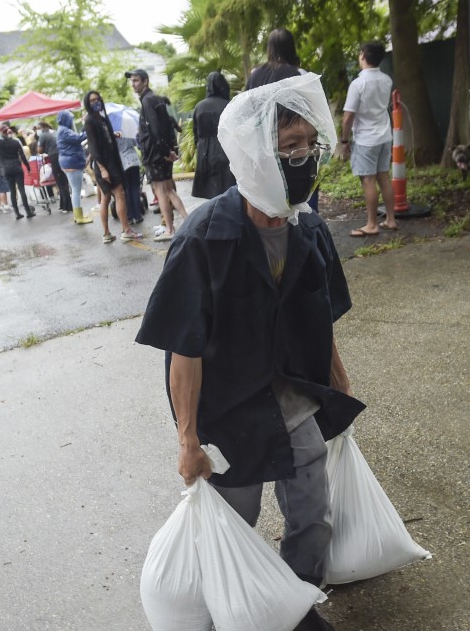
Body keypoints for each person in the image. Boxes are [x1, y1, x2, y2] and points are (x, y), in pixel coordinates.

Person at [135, 75, 358, 631]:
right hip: (230, 407)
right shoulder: (203, 238)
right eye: (289, 148)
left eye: (310, 144)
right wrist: (187, 441)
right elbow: (183, 350)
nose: (303, 158)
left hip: (293, 393)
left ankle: (296, 601)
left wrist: (337, 379)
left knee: (312, 511)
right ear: (257, 155)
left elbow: (320, 313)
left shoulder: (309, 229)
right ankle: (233, 606)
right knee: (235, 517)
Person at [246, 28, 322, 212]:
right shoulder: (300, 75)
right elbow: (316, 112)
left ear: (270, 49)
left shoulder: (255, 75)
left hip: (263, 151)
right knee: (304, 196)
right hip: (296, 151)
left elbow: (247, 112)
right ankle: (308, 225)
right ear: (291, 48)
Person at [335, 42, 397, 236]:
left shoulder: (358, 84)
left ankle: (371, 224)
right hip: (385, 135)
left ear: (363, 55)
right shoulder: (386, 80)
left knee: (368, 180)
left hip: (366, 139)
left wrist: (344, 140)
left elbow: (348, 116)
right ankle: (391, 219)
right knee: (384, 177)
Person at [127, 68, 188, 241]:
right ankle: (187, 221)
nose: (133, 84)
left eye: (136, 80)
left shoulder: (148, 101)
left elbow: (155, 129)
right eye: (132, 81)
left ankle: (170, 228)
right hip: (161, 153)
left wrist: (165, 152)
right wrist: (169, 150)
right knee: (169, 191)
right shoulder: (154, 99)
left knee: (162, 192)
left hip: (155, 155)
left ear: (145, 81)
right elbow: (167, 125)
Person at [83, 89, 143, 243]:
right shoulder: (90, 120)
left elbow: (103, 138)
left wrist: (112, 135)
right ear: (87, 104)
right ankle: (126, 230)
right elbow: (94, 147)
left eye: (97, 99)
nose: (96, 102)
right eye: (92, 101)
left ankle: (107, 233)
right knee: (120, 194)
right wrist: (103, 169)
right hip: (106, 165)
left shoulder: (102, 118)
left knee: (106, 198)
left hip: (111, 162)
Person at [191, 71, 236, 200]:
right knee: (228, 190)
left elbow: (196, 133)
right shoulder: (228, 105)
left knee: (211, 191)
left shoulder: (199, 107)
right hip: (226, 150)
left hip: (205, 152)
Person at [55, 110, 93, 225]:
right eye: (70, 118)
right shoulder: (64, 131)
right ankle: (79, 217)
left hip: (69, 162)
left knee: (75, 190)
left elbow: (76, 137)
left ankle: (78, 216)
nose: (71, 121)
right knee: (76, 190)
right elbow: (78, 138)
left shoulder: (63, 130)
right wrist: (89, 129)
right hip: (72, 163)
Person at [36, 121, 71, 213]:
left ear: (42, 127)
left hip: (55, 158)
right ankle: (63, 205)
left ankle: (67, 206)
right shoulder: (55, 132)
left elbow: (39, 150)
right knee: (64, 181)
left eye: (38, 128)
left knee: (60, 182)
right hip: (63, 156)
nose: (37, 131)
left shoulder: (43, 135)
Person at [117, 134, 144, 226]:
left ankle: (129, 216)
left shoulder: (114, 134)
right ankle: (138, 216)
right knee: (135, 189)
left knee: (127, 190)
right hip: (134, 160)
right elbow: (135, 143)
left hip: (123, 162)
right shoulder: (128, 131)